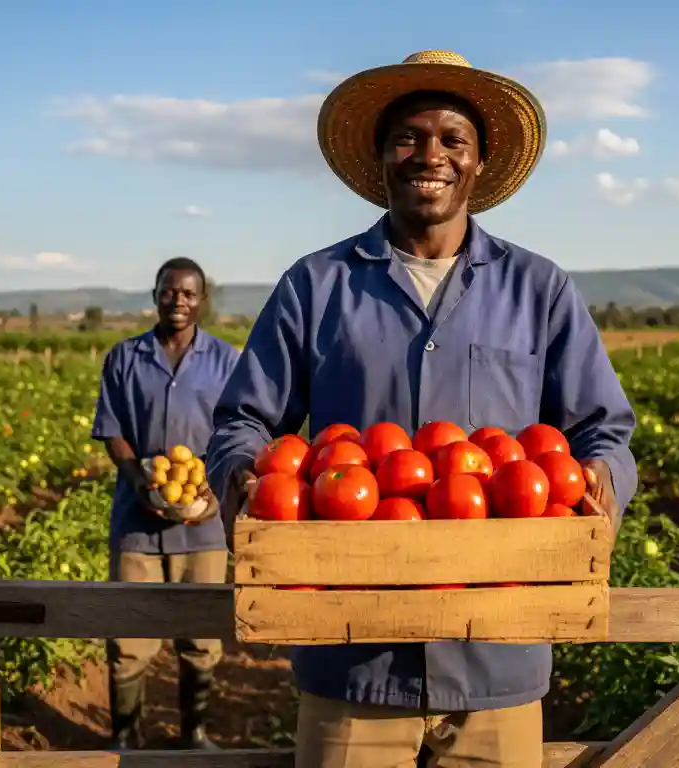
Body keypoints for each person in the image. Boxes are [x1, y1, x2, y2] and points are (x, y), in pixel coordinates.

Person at [204, 51, 639, 767]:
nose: (428, 154)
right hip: (351, 654)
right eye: (407, 137)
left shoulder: (540, 289)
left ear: (478, 163)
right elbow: (243, 421)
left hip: (498, 651)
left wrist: (599, 480)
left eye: (451, 140)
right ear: (381, 157)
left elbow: (605, 430)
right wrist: (244, 476)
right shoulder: (315, 286)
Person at [90, 256, 239, 751]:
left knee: (200, 639)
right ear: (155, 295)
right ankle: (125, 740)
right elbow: (112, 431)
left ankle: (194, 735)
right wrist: (138, 482)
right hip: (138, 521)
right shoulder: (124, 357)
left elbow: (238, 434)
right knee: (129, 638)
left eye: (189, 293)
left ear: (203, 299)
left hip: (203, 525)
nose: (178, 301)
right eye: (169, 291)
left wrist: (215, 489)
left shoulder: (226, 361)